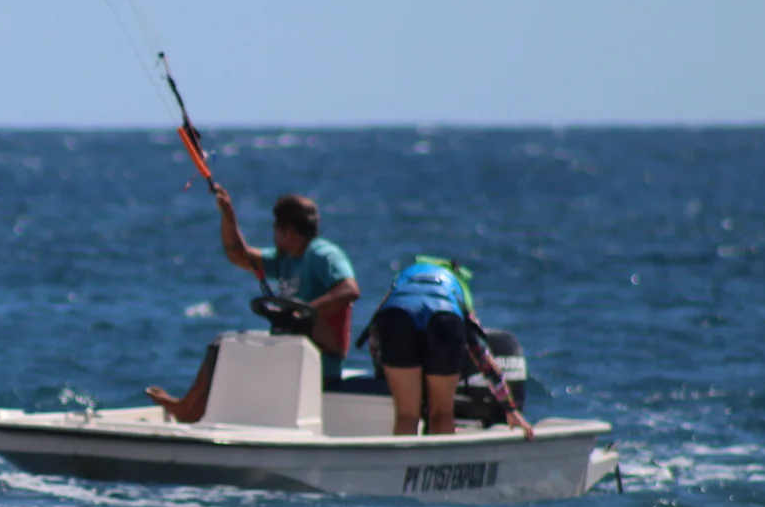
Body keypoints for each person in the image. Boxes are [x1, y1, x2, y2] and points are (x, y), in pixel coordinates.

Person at [146, 186, 359, 422]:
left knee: (231, 351)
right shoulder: (286, 259)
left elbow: (349, 290)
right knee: (222, 345)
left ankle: (189, 411)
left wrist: (305, 314)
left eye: (275, 229)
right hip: (289, 353)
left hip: (318, 362)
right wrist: (228, 216)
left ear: (286, 231)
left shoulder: (322, 254)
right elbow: (239, 254)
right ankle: (190, 408)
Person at [368, 257, 532, 439]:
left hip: (398, 316)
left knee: (407, 415)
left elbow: (375, 335)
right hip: (444, 317)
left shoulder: (404, 279)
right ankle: (439, 466)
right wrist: (509, 407)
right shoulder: (456, 286)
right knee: (441, 413)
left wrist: (383, 370)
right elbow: (479, 352)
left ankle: (402, 466)